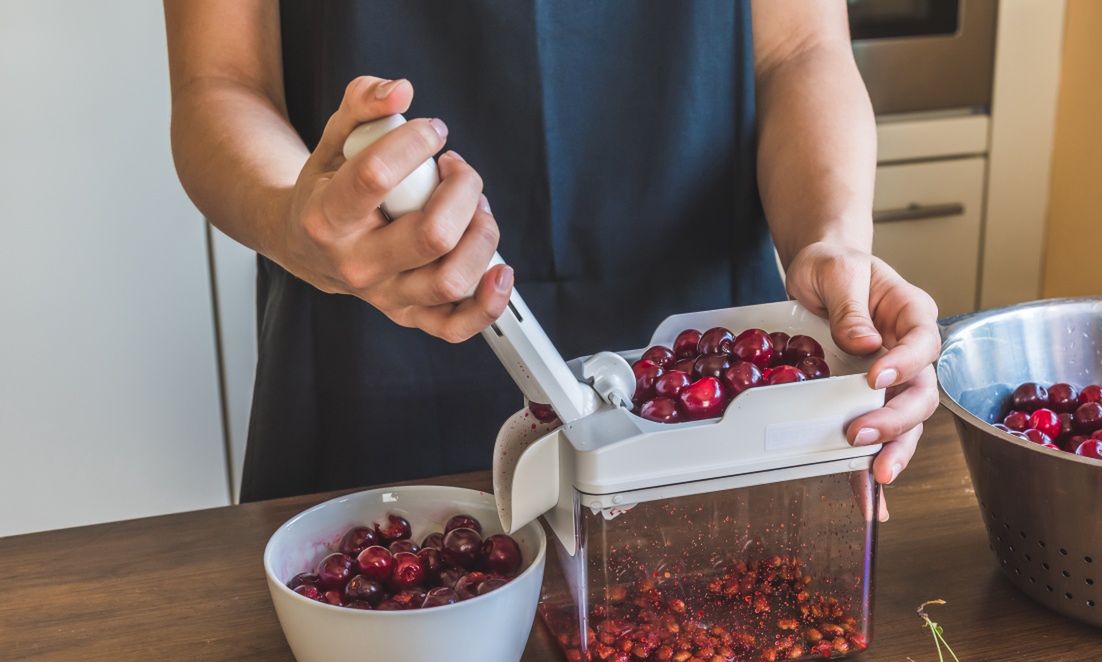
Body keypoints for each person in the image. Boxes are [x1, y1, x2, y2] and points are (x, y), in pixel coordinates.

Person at [164, 0, 940, 506]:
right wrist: (293, 218)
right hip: (371, 348)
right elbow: (220, 82)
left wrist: (832, 238)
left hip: (712, 385)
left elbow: (799, 47)